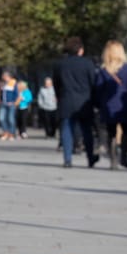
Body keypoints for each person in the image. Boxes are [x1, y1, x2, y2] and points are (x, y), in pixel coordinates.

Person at [94, 41, 127, 169]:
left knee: (111, 132)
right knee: (126, 131)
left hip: (108, 106)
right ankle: (124, 156)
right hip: (124, 105)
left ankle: (113, 159)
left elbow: (98, 89)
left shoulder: (103, 70)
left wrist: (98, 104)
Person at [52, 37, 96, 168]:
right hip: (84, 101)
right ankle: (90, 157)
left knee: (66, 129)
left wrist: (59, 96)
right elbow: (93, 82)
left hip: (66, 99)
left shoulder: (60, 64)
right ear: (80, 50)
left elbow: (56, 83)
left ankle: (67, 159)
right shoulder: (88, 63)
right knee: (87, 130)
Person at [0, 70, 22, 138]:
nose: (2, 77)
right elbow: (1, 93)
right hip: (3, 103)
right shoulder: (3, 83)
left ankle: (11, 133)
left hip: (11, 104)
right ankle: (5, 132)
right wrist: (0, 99)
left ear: (7, 76)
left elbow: (16, 94)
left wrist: (13, 101)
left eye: (3, 76)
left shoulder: (13, 83)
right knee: (1, 118)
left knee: (11, 119)